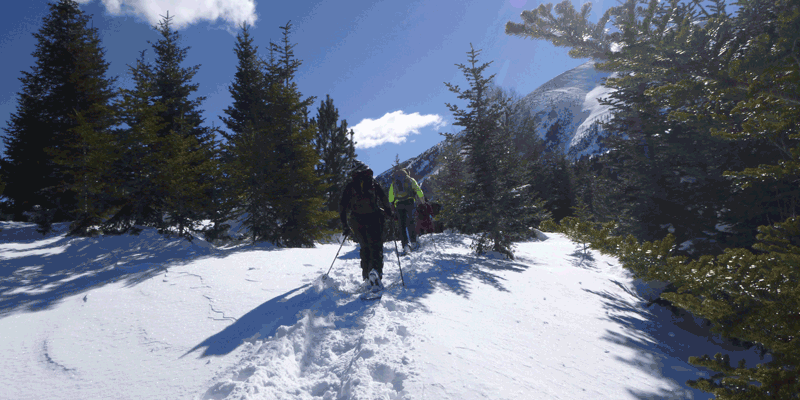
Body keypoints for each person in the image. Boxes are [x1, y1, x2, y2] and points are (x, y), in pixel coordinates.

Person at [340, 160, 394, 289]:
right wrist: (389, 213)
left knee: (365, 248)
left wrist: (345, 225)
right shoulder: (373, 183)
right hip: (374, 218)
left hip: (357, 220)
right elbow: (383, 198)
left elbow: (342, 206)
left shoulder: (350, 186)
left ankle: (366, 276)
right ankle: (376, 273)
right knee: (376, 247)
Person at [388, 168, 424, 252]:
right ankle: (413, 242)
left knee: (402, 225)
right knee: (411, 222)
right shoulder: (410, 180)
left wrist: (392, 205)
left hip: (399, 204)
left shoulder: (394, 182)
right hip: (410, 202)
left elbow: (390, 197)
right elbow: (418, 190)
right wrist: (423, 201)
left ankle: (405, 245)